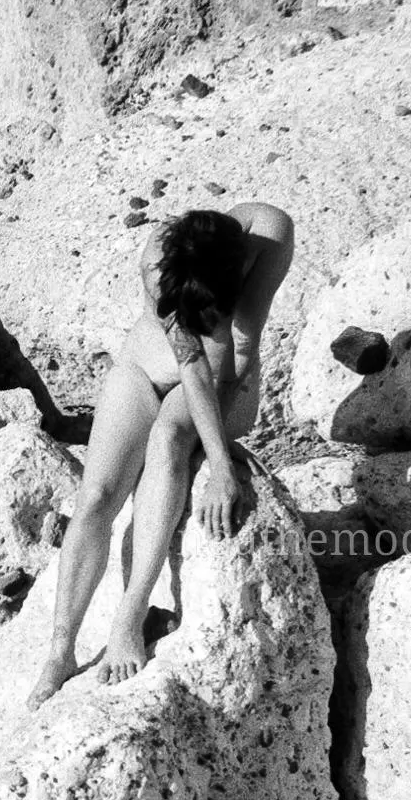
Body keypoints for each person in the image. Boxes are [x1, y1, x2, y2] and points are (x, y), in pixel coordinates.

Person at [26, 201, 294, 707]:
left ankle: (129, 615)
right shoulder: (160, 260)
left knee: (169, 438)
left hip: (226, 379)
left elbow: (237, 347)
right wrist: (219, 461)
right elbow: (189, 362)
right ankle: (59, 652)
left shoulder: (271, 233)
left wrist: (219, 459)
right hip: (146, 370)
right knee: (96, 496)